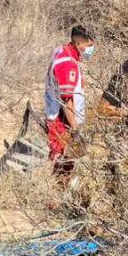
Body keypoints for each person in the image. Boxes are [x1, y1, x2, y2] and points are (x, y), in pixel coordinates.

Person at [45, 25, 96, 178]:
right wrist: (75, 130)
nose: (91, 50)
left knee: (60, 162)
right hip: (62, 122)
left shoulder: (61, 50)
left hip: (59, 117)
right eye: (89, 46)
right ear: (79, 44)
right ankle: (55, 197)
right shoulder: (68, 64)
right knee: (63, 163)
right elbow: (67, 101)